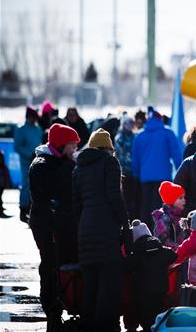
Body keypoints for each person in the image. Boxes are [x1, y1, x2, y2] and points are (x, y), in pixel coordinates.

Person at [73, 128, 131, 332]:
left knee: (91, 288)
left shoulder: (78, 168)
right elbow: (115, 198)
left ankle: (87, 327)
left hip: (85, 231)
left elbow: (76, 205)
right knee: (109, 287)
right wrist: (126, 224)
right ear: (108, 149)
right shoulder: (109, 163)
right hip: (106, 231)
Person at [28, 123, 80, 331]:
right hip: (46, 224)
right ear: (60, 145)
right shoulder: (40, 163)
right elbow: (52, 186)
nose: (75, 149)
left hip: (64, 222)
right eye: (72, 145)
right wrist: (69, 165)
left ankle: (66, 303)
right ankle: (52, 311)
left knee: (67, 263)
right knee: (51, 265)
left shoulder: (63, 161)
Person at [132, 107, 182, 230]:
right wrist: (180, 173)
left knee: (146, 207)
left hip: (145, 178)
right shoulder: (167, 133)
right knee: (160, 207)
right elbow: (176, 155)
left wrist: (136, 175)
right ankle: (160, 233)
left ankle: (143, 234)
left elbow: (135, 158)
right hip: (163, 177)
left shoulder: (140, 136)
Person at [127, 219, 177, 332]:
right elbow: (174, 255)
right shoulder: (161, 250)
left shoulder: (136, 255)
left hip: (142, 292)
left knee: (146, 319)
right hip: (161, 289)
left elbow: (125, 267)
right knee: (159, 315)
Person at [14, 106, 42, 222]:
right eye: (32, 117)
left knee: (35, 185)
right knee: (26, 184)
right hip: (26, 161)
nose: (34, 120)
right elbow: (17, 146)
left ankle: (32, 209)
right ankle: (23, 209)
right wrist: (29, 154)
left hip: (37, 160)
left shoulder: (37, 129)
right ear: (28, 117)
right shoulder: (21, 130)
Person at [152, 181, 189, 250]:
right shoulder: (164, 218)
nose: (184, 200)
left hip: (183, 255)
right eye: (180, 198)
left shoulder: (182, 216)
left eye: (184, 197)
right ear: (171, 200)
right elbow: (162, 239)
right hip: (171, 256)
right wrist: (179, 248)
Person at [115, 114, 138, 219]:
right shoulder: (119, 138)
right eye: (128, 123)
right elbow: (117, 155)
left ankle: (134, 218)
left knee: (134, 198)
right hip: (123, 172)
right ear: (123, 124)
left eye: (132, 123)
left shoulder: (136, 137)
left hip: (134, 172)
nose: (130, 125)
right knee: (125, 198)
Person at [0, 149, 13, 218]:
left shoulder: (4, 168)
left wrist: (8, 184)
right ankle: (0, 210)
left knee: (0, 195)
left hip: (1, 183)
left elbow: (7, 176)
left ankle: (0, 208)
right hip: (1, 182)